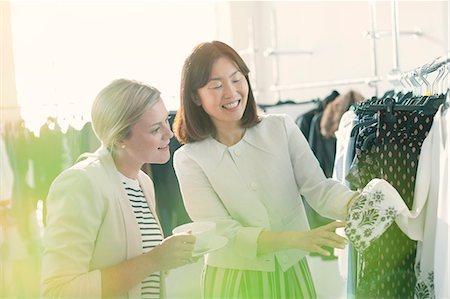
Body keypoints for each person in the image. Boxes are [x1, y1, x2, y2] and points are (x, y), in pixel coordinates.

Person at [172, 41, 360, 298]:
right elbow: (224, 232)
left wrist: (357, 204)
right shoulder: (189, 158)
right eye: (216, 85)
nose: (230, 92)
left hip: (290, 269)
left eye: (237, 79)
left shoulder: (280, 128)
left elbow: (319, 188)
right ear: (195, 96)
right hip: (234, 281)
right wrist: (297, 239)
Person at [41, 79, 196, 299]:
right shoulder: (81, 184)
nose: (169, 134)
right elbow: (58, 291)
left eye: (165, 121)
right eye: (155, 129)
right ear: (120, 138)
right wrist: (155, 260)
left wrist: (172, 256)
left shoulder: (143, 183)